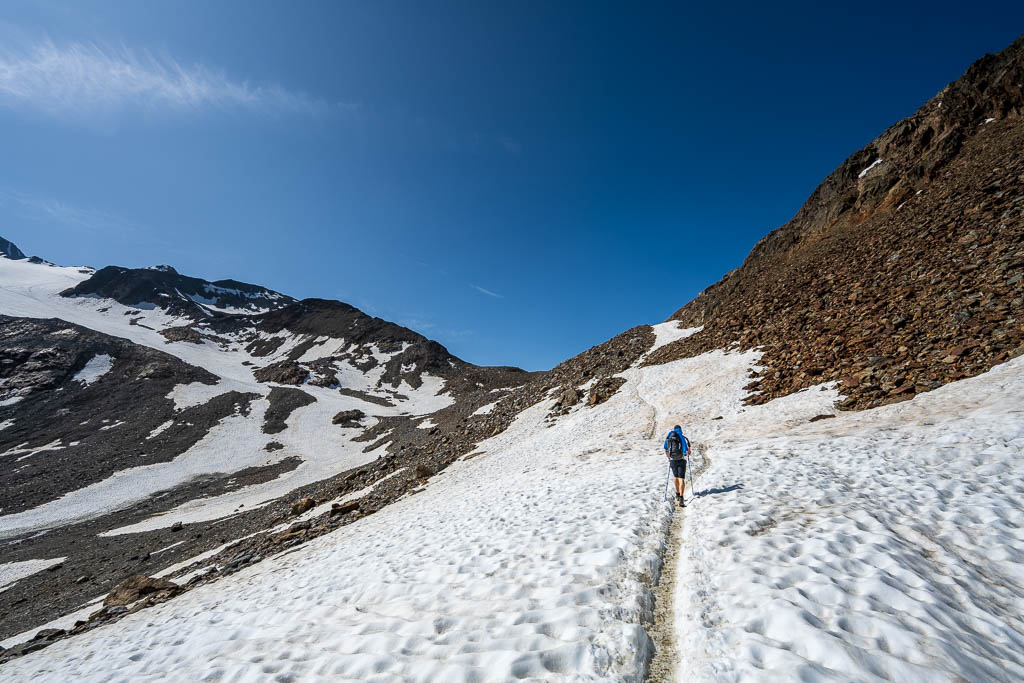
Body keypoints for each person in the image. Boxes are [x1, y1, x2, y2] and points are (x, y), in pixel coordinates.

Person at [664, 425, 690, 505]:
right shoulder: (683, 438)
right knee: (681, 479)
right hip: (681, 459)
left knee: (675, 477)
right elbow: (688, 452)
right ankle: (681, 498)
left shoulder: (669, 437)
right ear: (680, 430)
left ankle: (677, 493)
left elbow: (666, 449)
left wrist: (669, 457)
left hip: (673, 460)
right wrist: (687, 454)